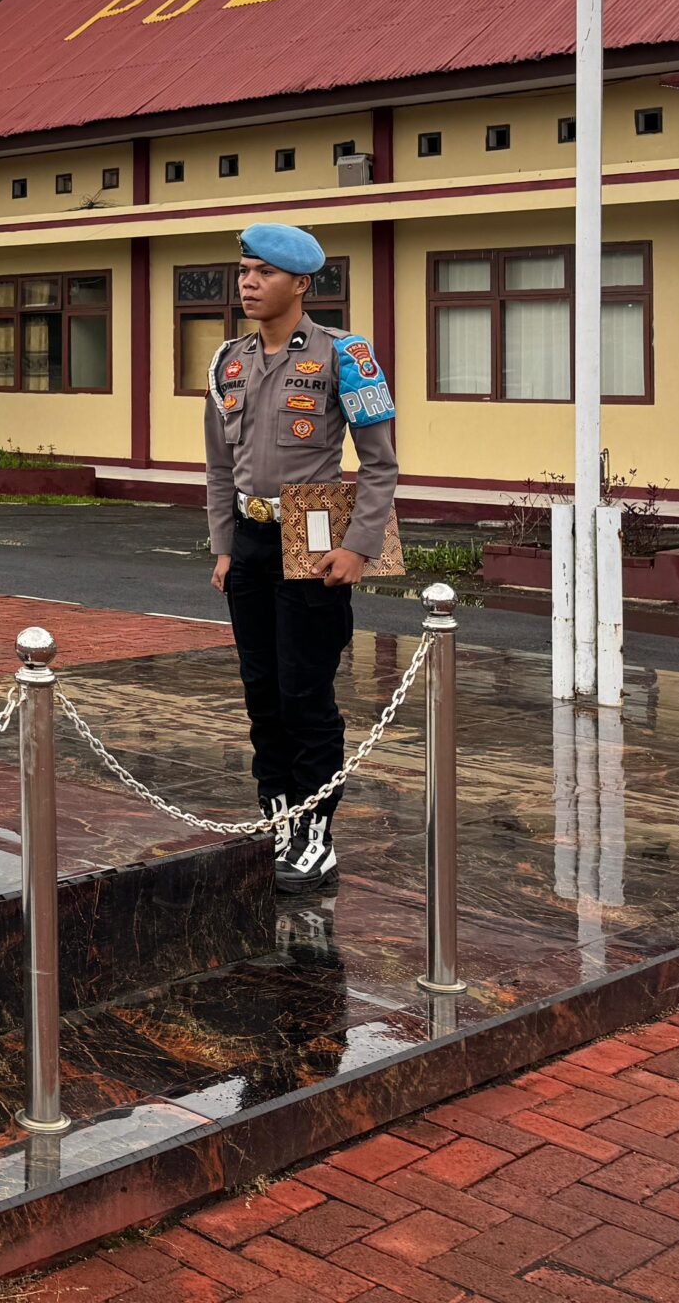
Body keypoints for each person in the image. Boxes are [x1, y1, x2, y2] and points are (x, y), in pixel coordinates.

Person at [204, 221, 401, 896]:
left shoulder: (345, 355)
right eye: (244, 271)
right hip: (250, 540)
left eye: (264, 272)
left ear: (301, 284)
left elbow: (380, 466)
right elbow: (218, 468)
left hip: (313, 538)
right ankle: (278, 818)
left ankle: (315, 834)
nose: (248, 283)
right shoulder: (227, 361)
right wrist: (223, 547)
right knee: (261, 693)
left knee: (304, 694)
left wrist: (359, 547)